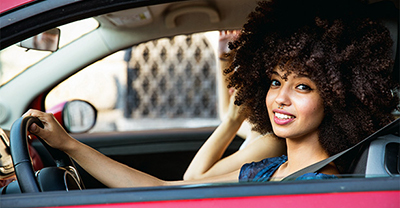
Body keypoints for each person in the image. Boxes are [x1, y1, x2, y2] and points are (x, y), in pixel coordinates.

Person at [24, 0, 398, 186]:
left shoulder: (322, 188)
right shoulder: (268, 170)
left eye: (302, 86)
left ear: (337, 98)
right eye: (274, 81)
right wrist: (69, 145)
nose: (280, 97)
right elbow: (167, 191)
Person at [183, 30, 285, 180]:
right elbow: (225, 112)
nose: (231, 87)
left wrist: (233, 119)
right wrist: (223, 58)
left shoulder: (271, 142)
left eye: (240, 81)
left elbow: (192, 178)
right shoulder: (260, 130)